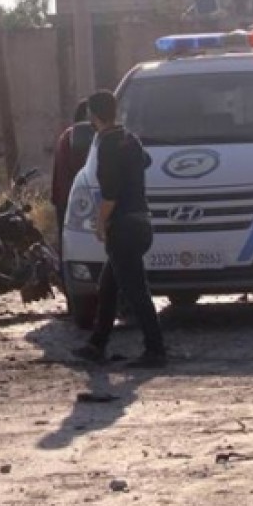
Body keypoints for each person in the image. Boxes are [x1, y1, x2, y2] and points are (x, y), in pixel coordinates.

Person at [72, 90, 167, 369]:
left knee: (137, 291)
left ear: (93, 115)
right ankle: (96, 345)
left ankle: (155, 349)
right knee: (109, 287)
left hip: (123, 227)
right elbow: (145, 162)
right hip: (141, 222)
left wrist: (100, 223)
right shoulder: (129, 139)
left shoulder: (107, 144)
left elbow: (110, 194)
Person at [50, 100, 96, 256]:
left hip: (62, 197)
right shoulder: (81, 137)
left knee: (66, 242)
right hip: (75, 198)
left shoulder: (67, 135)